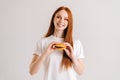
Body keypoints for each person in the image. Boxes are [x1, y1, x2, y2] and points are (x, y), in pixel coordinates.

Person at [29, 6, 85, 80]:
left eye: (66, 19)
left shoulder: (76, 43)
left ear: (69, 23)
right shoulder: (42, 42)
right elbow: (32, 72)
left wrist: (72, 56)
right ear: (53, 19)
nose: (61, 21)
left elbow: (80, 72)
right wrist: (45, 53)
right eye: (58, 17)